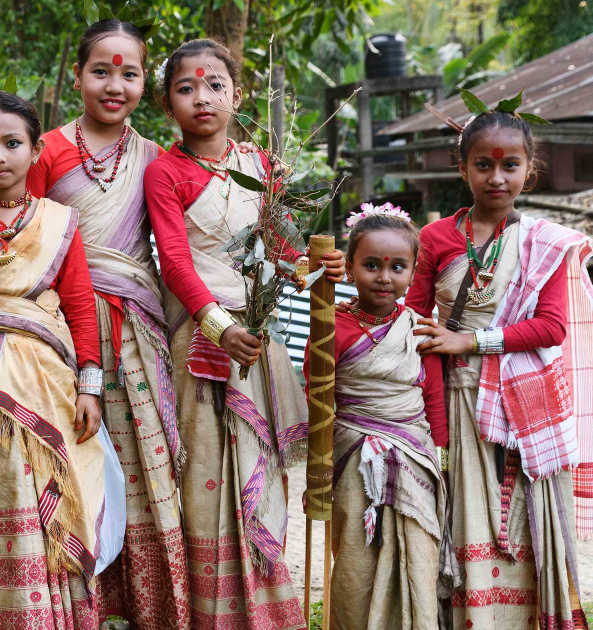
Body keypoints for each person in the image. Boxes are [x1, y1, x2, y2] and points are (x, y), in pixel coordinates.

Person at [143, 39, 345, 630]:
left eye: (215, 86)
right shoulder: (165, 172)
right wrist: (218, 325)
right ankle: (211, 614)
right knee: (205, 471)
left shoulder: (264, 165)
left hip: (258, 338)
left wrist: (317, 270)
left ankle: (268, 608)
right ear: (167, 102)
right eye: (186, 89)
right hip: (200, 334)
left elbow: (281, 256)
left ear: (239, 94)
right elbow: (176, 261)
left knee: (262, 474)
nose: (201, 98)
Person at [26, 19, 187, 629]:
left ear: (146, 82)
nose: (114, 85)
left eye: (130, 73)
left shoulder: (155, 158)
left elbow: (176, 246)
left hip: (139, 332)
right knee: (75, 465)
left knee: (146, 469)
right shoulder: (44, 150)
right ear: (77, 76)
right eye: (101, 71)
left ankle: (149, 609)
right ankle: (80, 609)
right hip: (64, 332)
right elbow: (27, 239)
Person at [408, 106, 592, 630]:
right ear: (461, 168)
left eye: (510, 164)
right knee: (469, 518)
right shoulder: (436, 238)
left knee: (527, 530)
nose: (497, 177)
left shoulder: (545, 243)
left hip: (528, 408)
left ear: (529, 168)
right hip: (457, 400)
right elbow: (416, 325)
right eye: (483, 165)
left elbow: (551, 327)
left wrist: (468, 339)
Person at [0, 88, 107, 628]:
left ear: (35, 151)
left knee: (51, 490)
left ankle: (64, 614)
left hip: (51, 383)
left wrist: (89, 386)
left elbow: (80, 305)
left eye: (12, 143)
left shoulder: (59, 221)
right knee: (3, 495)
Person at [324, 206, 455, 629]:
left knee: (417, 546)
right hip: (351, 460)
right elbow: (318, 397)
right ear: (349, 268)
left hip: (415, 456)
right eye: (371, 265)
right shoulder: (331, 326)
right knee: (357, 555)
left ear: (414, 272)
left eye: (397, 267)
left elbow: (432, 397)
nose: (384, 277)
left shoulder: (419, 328)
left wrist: (443, 458)